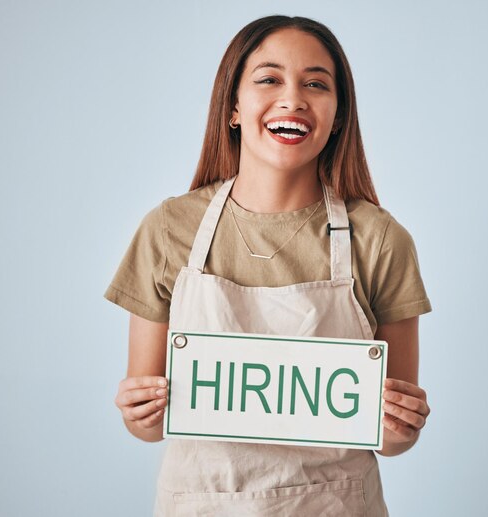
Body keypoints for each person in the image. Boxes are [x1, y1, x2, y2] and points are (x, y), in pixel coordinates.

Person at [105, 14, 432, 516]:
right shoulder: (169, 229)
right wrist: (140, 412)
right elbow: (145, 427)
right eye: (269, 79)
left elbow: (390, 442)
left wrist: (399, 424)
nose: (294, 99)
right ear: (233, 107)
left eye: (316, 84)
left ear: (339, 114)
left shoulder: (381, 240)